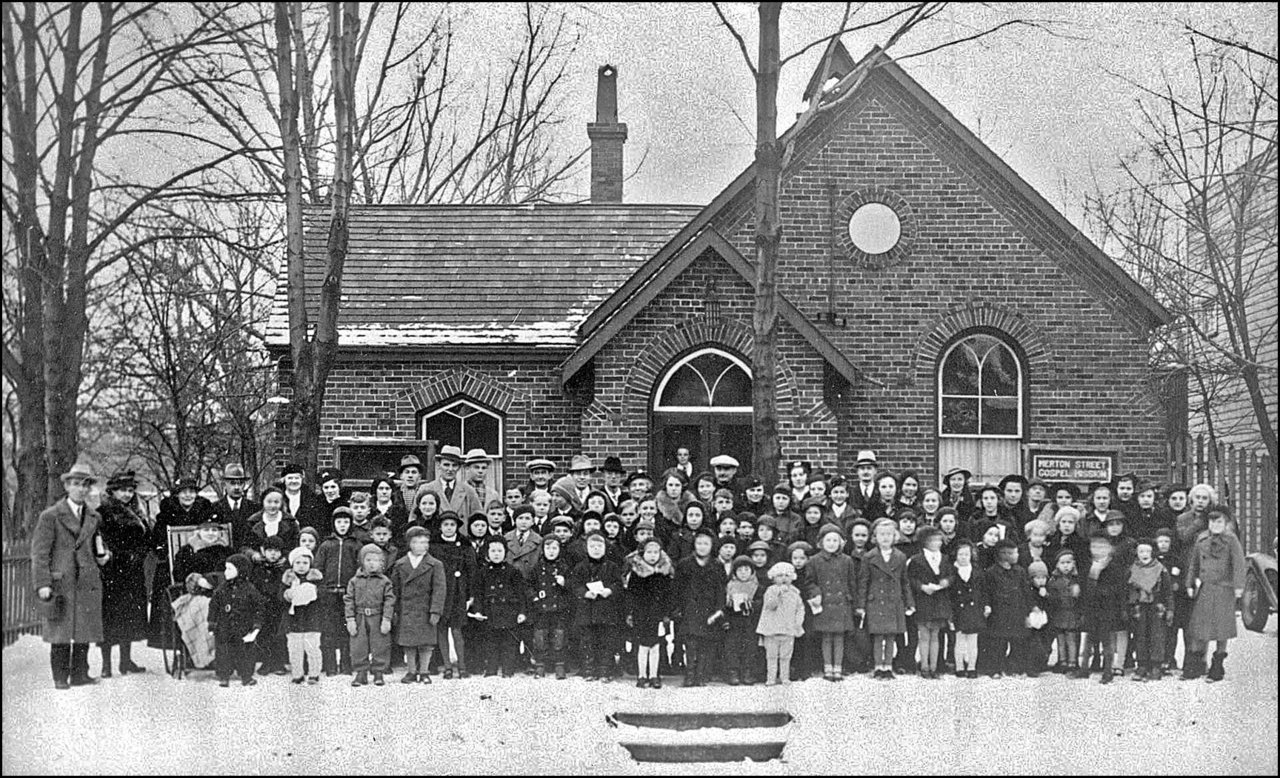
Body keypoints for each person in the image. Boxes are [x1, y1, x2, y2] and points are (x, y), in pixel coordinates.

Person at [31, 464, 110, 689]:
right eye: (76, 484)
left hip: (87, 580)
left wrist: (103, 557)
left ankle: (80, 674)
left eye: (85, 485)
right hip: (61, 582)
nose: (81, 489)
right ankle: (60, 677)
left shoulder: (94, 516)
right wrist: (43, 583)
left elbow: (97, 547)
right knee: (61, 631)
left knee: (84, 629)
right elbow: (40, 553)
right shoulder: (51, 516)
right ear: (66, 486)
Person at [148, 475, 215, 649]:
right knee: (167, 587)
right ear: (176, 495)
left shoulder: (205, 511)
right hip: (173, 562)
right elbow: (156, 541)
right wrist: (164, 551)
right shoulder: (166, 514)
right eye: (183, 492)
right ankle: (171, 640)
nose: (187, 495)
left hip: (199, 560)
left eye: (191, 492)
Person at [96, 470, 151, 676]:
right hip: (112, 572)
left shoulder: (138, 512)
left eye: (130, 490)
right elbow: (100, 540)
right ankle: (106, 665)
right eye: (122, 491)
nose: (126, 495)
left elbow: (145, 539)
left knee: (130, 615)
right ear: (113, 491)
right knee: (110, 616)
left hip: (133, 571)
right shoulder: (103, 512)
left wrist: (139, 554)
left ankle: (125, 661)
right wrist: (117, 555)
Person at [1183, 508, 1246, 683]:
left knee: (1221, 627)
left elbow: (1239, 564)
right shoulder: (1202, 538)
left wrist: (1239, 586)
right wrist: (1189, 583)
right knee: (1200, 626)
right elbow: (1193, 563)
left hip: (1224, 588)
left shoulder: (1231, 540)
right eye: (1212, 522)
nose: (1215, 525)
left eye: (1219, 522)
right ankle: (1196, 664)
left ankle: (1217, 664)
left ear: (1226, 524)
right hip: (1205, 587)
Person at [858, 519, 914, 680]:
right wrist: (861, 605)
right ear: (875, 537)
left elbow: (905, 581)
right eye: (881, 534)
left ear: (895, 536)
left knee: (891, 635)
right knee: (877, 636)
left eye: (889, 534)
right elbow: (863, 582)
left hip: (894, 599)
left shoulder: (901, 557)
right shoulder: (869, 557)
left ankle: (888, 666)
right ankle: (877, 666)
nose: (885, 538)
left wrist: (909, 602)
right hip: (875, 600)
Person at [390, 527, 447, 684]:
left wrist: (436, 611)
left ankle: (424, 671)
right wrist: (394, 610)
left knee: (426, 643)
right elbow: (394, 590)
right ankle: (411, 671)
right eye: (417, 542)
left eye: (425, 542)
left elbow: (439, 590)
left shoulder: (435, 565)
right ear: (410, 544)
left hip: (425, 609)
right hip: (406, 609)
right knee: (408, 643)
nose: (422, 546)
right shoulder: (400, 564)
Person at [470, 536, 529, 677]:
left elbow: (521, 594)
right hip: (490, 612)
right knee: (491, 642)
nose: (496, 554)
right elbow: (478, 594)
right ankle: (491, 669)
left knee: (509, 642)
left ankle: (508, 670)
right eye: (493, 551)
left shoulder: (513, 572)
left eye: (500, 550)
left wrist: (522, 612)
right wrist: (477, 610)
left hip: (509, 612)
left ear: (505, 552)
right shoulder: (482, 572)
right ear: (487, 554)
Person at [674, 529, 725, 687]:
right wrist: (678, 609)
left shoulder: (717, 565)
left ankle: (701, 674)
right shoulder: (685, 564)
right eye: (699, 543)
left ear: (711, 545)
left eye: (706, 544)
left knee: (706, 643)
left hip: (709, 610)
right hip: (690, 609)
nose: (702, 547)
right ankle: (689, 674)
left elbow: (721, 590)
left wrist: (719, 610)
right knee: (690, 643)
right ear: (694, 545)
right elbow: (677, 588)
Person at [314, 509, 362, 675]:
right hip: (329, 593)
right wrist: (321, 589)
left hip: (348, 594)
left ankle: (346, 663)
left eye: (346, 522)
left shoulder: (355, 545)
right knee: (328, 630)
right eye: (339, 522)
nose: (342, 525)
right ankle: (330, 665)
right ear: (333, 523)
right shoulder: (326, 545)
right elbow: (318, 569)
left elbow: (360, 568)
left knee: (347, 630)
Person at [571, 532, 624, 681]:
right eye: (592, 546)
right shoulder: (580, 567)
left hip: (606, 610)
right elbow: (575, 585)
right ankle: (588, 670)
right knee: (587, 641)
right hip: (587, 610)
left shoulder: (612, 567)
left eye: (599, 546)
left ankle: (604, 670)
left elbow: (618, 583)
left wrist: (610, 590)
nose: (596, 549)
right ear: (586, 548)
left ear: (605, 548)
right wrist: (584, 593)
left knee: (605, 641)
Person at [1076, 534, 1128, 683]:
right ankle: (1084, 668)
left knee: (1107, 641)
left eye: (1103, 546)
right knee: (1089, 639)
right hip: (1091, 607)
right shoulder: (1088, 565)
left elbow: (1118, 589)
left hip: (1107, 609)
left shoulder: (1114, 567)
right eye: (1094, 546)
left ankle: (1107, 671)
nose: (1098, 550)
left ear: (1110, 548)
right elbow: (1085, 587)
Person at [208, 553, 265, 687]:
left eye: (229, 569)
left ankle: (246, 675)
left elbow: (259, 608)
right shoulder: (222, 588)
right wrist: (212, 624)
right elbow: (214, 606)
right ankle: (224, 675)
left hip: (243, 628)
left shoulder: (250, 589)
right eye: (225, 568)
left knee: (246, 653)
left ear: (240, 570)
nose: (225, 572)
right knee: (223, 652)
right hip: (224, 628)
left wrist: (256, 626)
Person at [431, 512, 476, 679]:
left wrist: (470, 594)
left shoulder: (465, 545)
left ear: (457, 526)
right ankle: (447, 666)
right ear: (441, 527)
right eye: (445, 525)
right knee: (441, 629)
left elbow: (472, 571)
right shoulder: (434, 546)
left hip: (459, 592)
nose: (449, 528)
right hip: (442, 592)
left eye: (452, 524)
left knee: (457, 630)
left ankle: (462, 666)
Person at [624, 538, 674, 688]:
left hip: (657, 615)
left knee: (656, 645)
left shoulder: (663, 573)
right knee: (642, 645)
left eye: (656, 552)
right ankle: (641, 675)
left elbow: (668, 595)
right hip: (641, 614)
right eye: (649, 552)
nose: (653, 555)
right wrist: (630, 613)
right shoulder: (636, 574)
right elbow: (630, 594)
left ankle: (654, 675)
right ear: (642, 553)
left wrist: (667, 614)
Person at [979, 539, 1032, 678]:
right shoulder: (991, 573)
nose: (1018, 555)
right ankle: (995, 669)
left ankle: (1014, 668)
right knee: (997, 643)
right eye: (1015, 553)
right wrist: (987, 606)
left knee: (1017, 642)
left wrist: (1029, 612)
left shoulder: (1020, 571)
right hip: (998, 614)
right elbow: (987, 592)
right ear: (1004, 554)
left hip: (1017, 612)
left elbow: (1026, 592)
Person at [345, 544, 396, 687]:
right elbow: (349, 600)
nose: (372, 563)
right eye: (368, 560)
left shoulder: (385, 581)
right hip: (360, 616)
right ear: (362, 561)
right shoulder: (354, 581)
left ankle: (379, 671)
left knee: (380, 644)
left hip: (378, 616)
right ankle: (361, 672)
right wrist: (350, 619)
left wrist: (386, 619)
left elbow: (389, 600)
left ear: (382, 562)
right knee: (358, 645)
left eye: (376, 560)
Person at [908, 526, 953, 679]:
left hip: (939, 601)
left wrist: (946, 582)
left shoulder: (945, 559)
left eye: (939, 540)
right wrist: (922, 587)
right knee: (924, 635)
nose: (938, 543)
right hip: (924, 601)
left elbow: (951, 575)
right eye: (934, 540)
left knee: (936, 635)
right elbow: (911, 579)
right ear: (924, 542)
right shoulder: (916, 560)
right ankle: (924, 666)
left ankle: (934, 667)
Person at [1128, 538, 1173, 681]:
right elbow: (1128, 590)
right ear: (1137, 553)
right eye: (1141, 551)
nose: (1144, 554)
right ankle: (1142, 664)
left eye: (1147, 551)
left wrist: (1170, 609)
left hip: (1156, 606)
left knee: (1157, 636)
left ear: (1153, 552)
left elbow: (1168, 591)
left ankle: (1156, 665)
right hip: (1140, 607)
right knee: (1140, 635)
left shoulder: (1160, 569)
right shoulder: (1133, 569)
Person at [529, 535, 573, 680]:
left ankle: (559, 665)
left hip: (559, 609)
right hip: (541, 608)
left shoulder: (564, 567)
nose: (551, 551)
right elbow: (528, 585)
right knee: (540, 637)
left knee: (559, 636)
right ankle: (540, 665)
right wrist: (534, 597)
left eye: (555, 548)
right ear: (543, 550)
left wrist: (565, 582)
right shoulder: (537, 567)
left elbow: (573, 587)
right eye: (548, 548)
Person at [756, 561, 805, 686]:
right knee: (771, 655)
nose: (784, 578)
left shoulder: (795, 592)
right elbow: (770, 605)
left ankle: (785, 677)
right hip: (772, 629)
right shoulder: (770, 591)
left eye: (787, 575)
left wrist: (798, 622)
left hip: (788, 628)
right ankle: (771, 677)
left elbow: (800, 609)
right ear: (773, 578)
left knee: (786, 655)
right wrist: (778, 593)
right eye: (780, 575)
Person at [281, 546, 324, 684]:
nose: (301, 566)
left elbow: (323, 597)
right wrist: (287, 595)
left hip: (312, 620)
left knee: (313, 649)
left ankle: (314, 673)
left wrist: (314, 592)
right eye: (298, 563)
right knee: (295, 649)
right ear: (292, 564)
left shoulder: (316, 580)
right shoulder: (287, 581)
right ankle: (297, 674)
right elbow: (280, 597)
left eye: (305, 563)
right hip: (293, 621)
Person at [250, 536, 289, 675]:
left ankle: (279, 663)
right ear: (263, 551)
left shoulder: (284, 568)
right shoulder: (258, 568)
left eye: (277, 551)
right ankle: (266, 662)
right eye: (270, 550)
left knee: (279, 634)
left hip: (279, 606)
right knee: (264, 634)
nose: (273, 554)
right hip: (263, 606)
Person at [722, 556, 764, 685]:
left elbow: (762, 603)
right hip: (734, 622)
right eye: (740, 570)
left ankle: (748, 671)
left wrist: (752, 604)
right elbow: (723, 605)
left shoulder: (757, 587)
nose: (743, 573)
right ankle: (733, 672)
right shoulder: (730, 586)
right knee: (732, 647)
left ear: (752, 571)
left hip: (751, 623)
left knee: (750, 647)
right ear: (734, 572)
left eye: (747, 570)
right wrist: (729, 605)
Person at [948, 540, 984, 679]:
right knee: (959, 640)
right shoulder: (952, 571)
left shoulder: (977, 572)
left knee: (973, 641)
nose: (964, 557)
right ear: (956, 555)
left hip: (974, 610)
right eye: (961, 554)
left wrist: (985, 605)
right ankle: (959, 666)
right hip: (958, 610)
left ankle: (972, 666)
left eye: (967, 554)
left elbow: (983, 591)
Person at [1046, 549, 1083, 674]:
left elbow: (1082, 600)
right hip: (1059, 613)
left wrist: (1078, 595)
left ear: (1074, 564)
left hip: (1072, 613)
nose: (1066, 566)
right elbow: (1051, 599)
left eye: (1068, 562)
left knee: (1071, 639)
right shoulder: (1053, 581)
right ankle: (1062, 661)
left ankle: (1072, 662)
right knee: (1060, 639)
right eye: (1062, 563)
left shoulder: (1077, 580)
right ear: (1057, 565)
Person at [424, 446, 483, 523]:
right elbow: (414, 520)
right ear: (439, 465)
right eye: (446, 465)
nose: (450, 469)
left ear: (459, 467)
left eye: (454, 465)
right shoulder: (426, 489)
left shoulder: (469, 491)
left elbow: (479, 520)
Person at [211, 463, 260, 551]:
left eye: (240, 483)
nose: (237, 487)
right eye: (232, 483)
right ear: (224, 485)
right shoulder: (214, 508)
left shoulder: (255, 508)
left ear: (244, 485)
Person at [248, 486, 300, 553]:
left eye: (276, 502)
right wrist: (254, 555)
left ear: (281, 503)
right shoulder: (252, 522)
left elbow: (296, 545)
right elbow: (245, 547)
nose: (272, 506)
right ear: (263, 502)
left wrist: (285, 557)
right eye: (269, 502)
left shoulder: (291, 522)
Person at [505, 504, 542, 579]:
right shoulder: (505, 539)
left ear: (533, 521)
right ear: (515, 520)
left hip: (529, 582)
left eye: (527, 518)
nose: (523, 522)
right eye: (520, 518)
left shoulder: (539, 541)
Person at [315, 468, 348, 539]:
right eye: (326, 488)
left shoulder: (345, 505)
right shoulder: (317, 505)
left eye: (333, 487)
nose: (329, 491)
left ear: (339, 487)